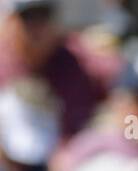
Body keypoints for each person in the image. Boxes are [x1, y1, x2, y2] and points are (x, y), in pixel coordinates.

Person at [0, 0, 115, 141]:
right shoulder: (4, 62)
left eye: (43, 16)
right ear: (10, 23)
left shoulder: (74, 56)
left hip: (74, 151)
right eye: (28, 17)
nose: (37, 26)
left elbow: (120, 81)